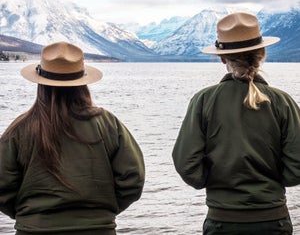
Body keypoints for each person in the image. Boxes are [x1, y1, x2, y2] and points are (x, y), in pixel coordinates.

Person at [172, 12, 300, 235]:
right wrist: (274, 180)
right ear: (262, 54)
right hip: (273, 220)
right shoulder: (283, 102)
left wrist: (216, 182)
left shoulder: (204, 100)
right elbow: (297, 167)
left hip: (222, 221)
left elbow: (187, 165)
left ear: (223, 58)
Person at [0, 41, 145, 235]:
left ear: (41, 83)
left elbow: (2, 186)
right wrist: (100, 214)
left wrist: (30, 217)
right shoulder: (108, 123)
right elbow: (133, 179)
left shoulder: (20, 128)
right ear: (82, 82)